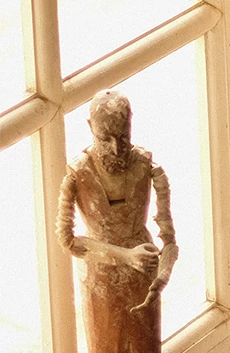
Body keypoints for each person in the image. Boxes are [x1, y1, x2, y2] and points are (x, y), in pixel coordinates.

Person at [57, 91, 177, 353]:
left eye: (123, 136)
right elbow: (68, 241)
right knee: (106, 343)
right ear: (91, 128)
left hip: (144, 269)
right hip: (100, 273)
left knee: (145, 342)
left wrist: (163, 275)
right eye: (105, 138)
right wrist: (124, 256)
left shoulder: (147, 166)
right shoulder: (79, 173)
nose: (116, 148)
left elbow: (169, 241)